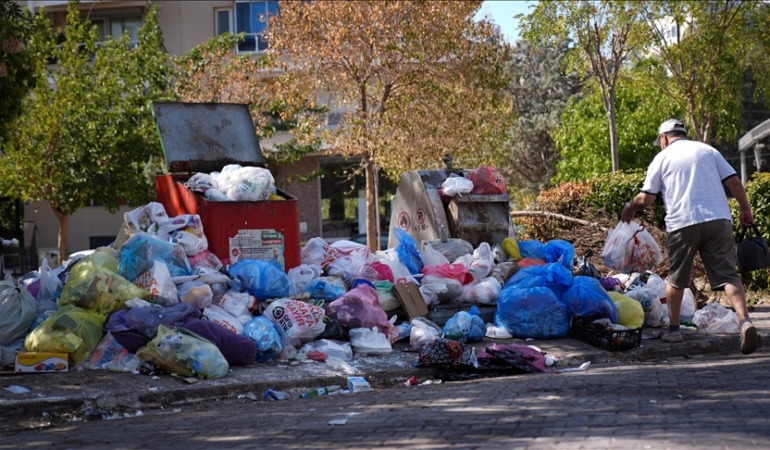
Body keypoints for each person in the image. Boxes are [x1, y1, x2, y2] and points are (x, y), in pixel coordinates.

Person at [621, 118, 758, 354]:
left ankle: (674, 331)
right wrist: (746, 210)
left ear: (664, 138)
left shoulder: (662, 158)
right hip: (718, 219)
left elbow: (647, 199)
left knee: (676, 279)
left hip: (683, 223)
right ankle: (745, 321)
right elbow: (734, 182)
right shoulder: (708, 150)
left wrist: (630, 207)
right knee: (728, 275)